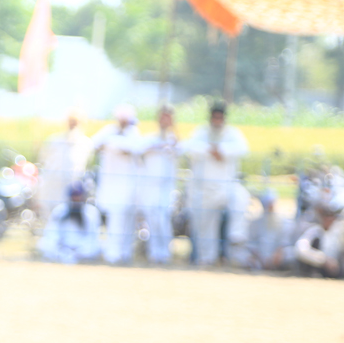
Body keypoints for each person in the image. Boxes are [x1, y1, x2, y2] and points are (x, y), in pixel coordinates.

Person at [181, 101, 248, 265]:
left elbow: (244, 148)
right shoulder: (200, 132)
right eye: (215, 118)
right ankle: (206, 260)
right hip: (203, 190)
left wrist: (222, 151)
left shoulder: (232, 133)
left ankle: (236, 235)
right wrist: (210, 150)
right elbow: (188, 146)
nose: (217, 121)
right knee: (204, 228)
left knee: (241, 198)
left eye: (220, 118)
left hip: (226, 185)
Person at [93, 104, 145, 264]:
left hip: (129, 185)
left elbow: (136, 148)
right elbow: (95, 144)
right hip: (111, 184)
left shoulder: (134, 133)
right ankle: (113, 254)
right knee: (114, 220)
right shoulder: (108, 131)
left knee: (128, 221)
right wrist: (113, 144)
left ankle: (125, 253)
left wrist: (114, 145)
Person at [141, 105, 180, 264]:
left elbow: (180, 148)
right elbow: (140, 149)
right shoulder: (150, 138)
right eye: (163, 117)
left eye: (168, 118)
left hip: (167, 186)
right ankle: (154, 253)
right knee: (151, 218)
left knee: (163, 218)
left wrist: (173, 131)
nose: (165, 121)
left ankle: (165, 253)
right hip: (150, 185)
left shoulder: (174, 139)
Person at [35, 110, 91, 219]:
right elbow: (43, 160)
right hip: (52, 186)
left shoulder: (86, 143)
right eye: (70, 121)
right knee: (49, 216)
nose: (73, 124)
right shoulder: (54, 140)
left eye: (76, 121)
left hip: (71, 188)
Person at [37, 182, 102, 264]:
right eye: (73, 197)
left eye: (78, 197)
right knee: (43, 244)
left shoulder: (91, 211)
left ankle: (76, 258)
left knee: (97, 247)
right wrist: (61, 247)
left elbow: (92, 237)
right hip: (62, 248)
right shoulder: (59, 210)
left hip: (82, 249)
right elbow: (51, 232)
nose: (76, 199)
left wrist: (78, 250)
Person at [294, 202, 344, 278]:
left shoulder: (338, 233)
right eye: (326, 216)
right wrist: (322, 260)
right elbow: (300, 249)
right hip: (315, 266)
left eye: (332, 216)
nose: (329, 219)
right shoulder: (314, 231)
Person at [246, 191, 294, 271]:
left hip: (277, 257)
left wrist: (278, 254)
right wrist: (258, 257)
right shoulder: (256, 223)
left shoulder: (284, 222)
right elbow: (251, 243)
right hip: (260, 258)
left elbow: (284, 242)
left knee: (291, 254)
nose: (271, 207)